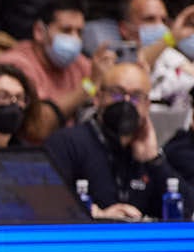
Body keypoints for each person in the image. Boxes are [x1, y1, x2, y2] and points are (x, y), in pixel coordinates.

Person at [45, 61, 194, 220]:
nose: (126, 102)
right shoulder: (66, 143)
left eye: (136, 97)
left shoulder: (147, 155)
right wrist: (98, 215)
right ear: (98, 98)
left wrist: (154, 161)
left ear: (147, 105)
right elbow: (47, 206)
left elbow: (187, 213)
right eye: (117, 93)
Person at [0, 0, 110, 141]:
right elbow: (38, 128)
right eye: (66, 30)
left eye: (79, 32)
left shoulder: (79, 63)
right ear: (39, 31)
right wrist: (90, 85)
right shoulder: (15, 65)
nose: (74, 39)